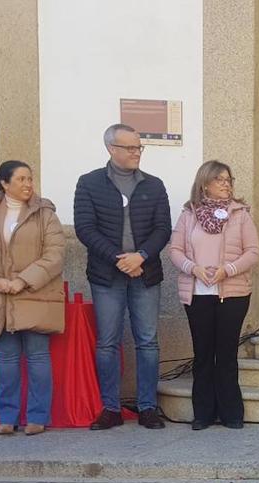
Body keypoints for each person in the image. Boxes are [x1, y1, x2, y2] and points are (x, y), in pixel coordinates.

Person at [73, 123, 172, 430]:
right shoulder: (89, 183)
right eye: (129, 147)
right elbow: (85, 229)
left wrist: (140, 256)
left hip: (145, 273)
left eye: (139, 147)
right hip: (107, 275)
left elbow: (163, 229)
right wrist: (120, 259)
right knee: (107, 342)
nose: (136, 153)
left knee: (148, 342)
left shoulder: (153, 185)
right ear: (111, 149)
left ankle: (147, 407)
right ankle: (110, 408)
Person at [167, 161, 259, 430]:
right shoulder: (189, 214)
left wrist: (226, 270)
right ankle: (203, 413)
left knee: (226, 353)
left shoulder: (240, 214)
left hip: (232, 293)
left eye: (228, 179)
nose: (226, 183)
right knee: (203, 354)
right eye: (219, 179)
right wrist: (193, 268)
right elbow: (175, 250)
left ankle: (232, 413)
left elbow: (252, 251)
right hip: (197, 294)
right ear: (204, 183)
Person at [0, 161, 65, 436]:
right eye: (21, 179)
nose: (28, 184)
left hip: (35, 294)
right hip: (2, 298)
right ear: (4, 183)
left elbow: (55, 254)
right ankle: (7, 417)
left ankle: (37, 416)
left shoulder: (44, 212)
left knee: (38, 358)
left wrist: (22, 280)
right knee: (7, 361)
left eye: (30, 179)